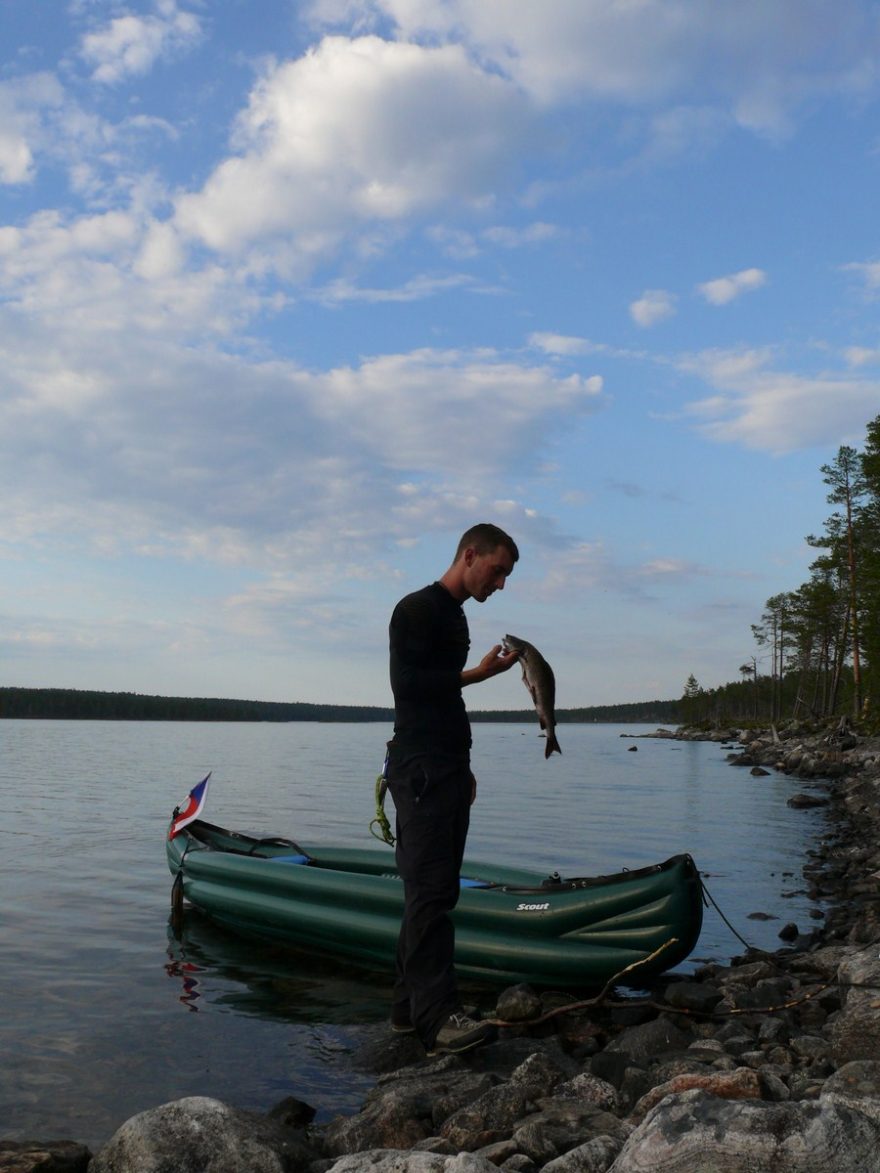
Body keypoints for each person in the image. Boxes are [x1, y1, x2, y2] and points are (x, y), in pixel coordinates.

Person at [386, 522, 520, 1055]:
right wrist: (474, 676)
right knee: (431, 893)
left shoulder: (457, 616)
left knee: (433, 891)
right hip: (419, 767)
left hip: (444, 766)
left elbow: (444, 698)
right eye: (498, 570)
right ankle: (439, 1019)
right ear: (470, 554)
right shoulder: (416, 609)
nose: (501, 583)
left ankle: (405, 1011)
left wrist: (462, 766)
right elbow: (408, 686)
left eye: (507, 575)